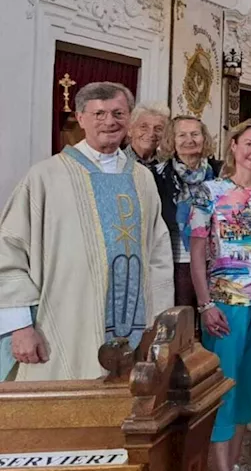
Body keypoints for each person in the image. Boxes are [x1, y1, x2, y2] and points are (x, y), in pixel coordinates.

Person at [0, 82, 174, 382]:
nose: (109, 121)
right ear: (80, 118)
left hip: (136, 329)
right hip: (62, 328)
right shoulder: (45, 176)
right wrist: (20, 327)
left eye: (118, 113)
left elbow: (158, 253)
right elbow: (9, 251)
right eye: (99, 113)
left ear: (129, 119)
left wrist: (159, 321)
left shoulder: (142, 178)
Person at [189, 119, 251, 471]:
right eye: (250, 144)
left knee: (248, 387)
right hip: (226, 302)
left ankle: (235, 466)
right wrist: (204, 304)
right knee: (223, 387)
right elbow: (198, 254)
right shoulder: (208, 192)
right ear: (234, 146)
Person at [153, 115, 222, 309]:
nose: (189, 140)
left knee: (213, 320)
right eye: (181, 135)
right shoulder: (157, 175)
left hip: (215, 259)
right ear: (171, 140)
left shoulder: (221, 173)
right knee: (181, 322)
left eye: (195, 134)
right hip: (176, 260)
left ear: (204, 138)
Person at [125, 102, 169, 167]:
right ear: (130, 130)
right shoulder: (116, 161)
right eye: (143, 127)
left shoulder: (168, 164)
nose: (151, 134)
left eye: (158, 128)